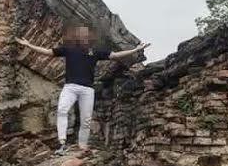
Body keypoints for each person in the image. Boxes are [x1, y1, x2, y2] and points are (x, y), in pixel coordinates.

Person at [15, 25, 149, 155]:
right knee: (62, 110)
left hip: (87, 89)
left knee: (86, 119)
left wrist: (135, 49)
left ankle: (82, 145)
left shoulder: (95, 52)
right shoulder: (69, 49)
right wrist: (29, 45)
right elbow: (48, 52)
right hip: (70, 87)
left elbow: (116, 55)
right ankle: (62, 142)